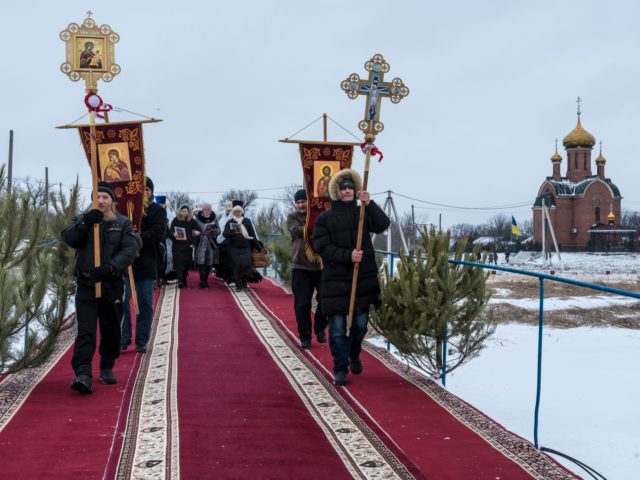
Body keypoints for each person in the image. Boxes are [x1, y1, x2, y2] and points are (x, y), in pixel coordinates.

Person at [312, 169, 390, 386]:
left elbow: (383, 225)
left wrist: (370, 203)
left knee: (360, 324)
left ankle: (354, 353)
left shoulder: (362, 212)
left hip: (363, 278)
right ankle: (340, 369)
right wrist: (348, 256)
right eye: (343, 187)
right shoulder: (325, 218)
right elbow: (321, 246)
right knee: (337, 327)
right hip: (335, 280)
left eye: (350, 187)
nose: (347, 190)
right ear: (337, 190)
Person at [62, 182, 138, 394]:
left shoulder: (122, 223)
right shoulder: (82, 219)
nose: (102, 201)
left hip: (111, 284)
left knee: (111, 327)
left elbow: (130, 249)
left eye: (106, 198)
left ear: (112, 201)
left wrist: (110, 268)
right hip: (86, 285)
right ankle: (83, 372)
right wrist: (84, 223)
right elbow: (69, 238)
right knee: (85, 330)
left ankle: (106, 366)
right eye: (98, 197)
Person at [121, 177, 167, 353]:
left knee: (145, 303)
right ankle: (123, 337)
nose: (144, 194)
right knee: (123, 303)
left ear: (151, 192)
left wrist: (138, 238)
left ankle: (142, 340)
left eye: (147, 190)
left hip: (147, 263)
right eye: (141, 191)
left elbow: (158, 232)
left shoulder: (157, 211)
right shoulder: (127, 209)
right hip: (126, 264)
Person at [287, 189, 327, 348]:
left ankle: (320, 328)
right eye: (298, 202)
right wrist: (315, 224)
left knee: (326, 299)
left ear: (309, 201)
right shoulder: (292, 217)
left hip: (322, 265)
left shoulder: (321, 214)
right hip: (301, 266)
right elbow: (298, 231)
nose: (300, 205)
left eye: (303, 201)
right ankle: (305, 336)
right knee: (302, 304)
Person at [223, 205, 258, 291]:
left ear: (242, 212)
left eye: (239, 211)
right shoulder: (230, 222)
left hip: (246, 247)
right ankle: (238, 284)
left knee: (246, 266)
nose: (237, 213)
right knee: (236, 266)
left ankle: (244, 282)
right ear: (233, 213)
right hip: (234, 248)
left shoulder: (247, 221)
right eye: (235, 212)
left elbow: (252, 234)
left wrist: (258, 246)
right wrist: (230, 232)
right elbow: (224, 234)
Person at [169, 205, 201, 288]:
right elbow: (170, 231)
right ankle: (180, 281)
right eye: (183, 211)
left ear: (188, 212)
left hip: (188, 245)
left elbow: (198, 231)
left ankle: (184, 280)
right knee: (179, 263)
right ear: (180, 212)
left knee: (186, 264)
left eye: (186, 211)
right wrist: (174, 234)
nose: (184, 213)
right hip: (177, 245)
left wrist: (194, 241)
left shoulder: (192, 221)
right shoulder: (176, 220)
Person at [194, 203, 220, 288]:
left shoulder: (215, 218)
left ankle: (205, 280)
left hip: (211, 242)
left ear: (211, 209)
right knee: (201, 262)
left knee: (209, 262)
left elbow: (219, 230)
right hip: (201, 242)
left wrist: (214, 230)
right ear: (203, 209)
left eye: (208, 209)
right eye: (205, 209)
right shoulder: (198, 218)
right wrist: (195, 232)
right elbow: (193, 229)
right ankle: (201, 281)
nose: (207, 210)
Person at [215, 201, 234, 283]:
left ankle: (230, 276)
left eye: (230, 210)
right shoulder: (223, 218)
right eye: (227, 210)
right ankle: (224, 275)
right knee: (222, 260)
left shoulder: (233, 218)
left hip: (229, 241)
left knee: (229, 260)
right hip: (221, 242)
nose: (228, 211)